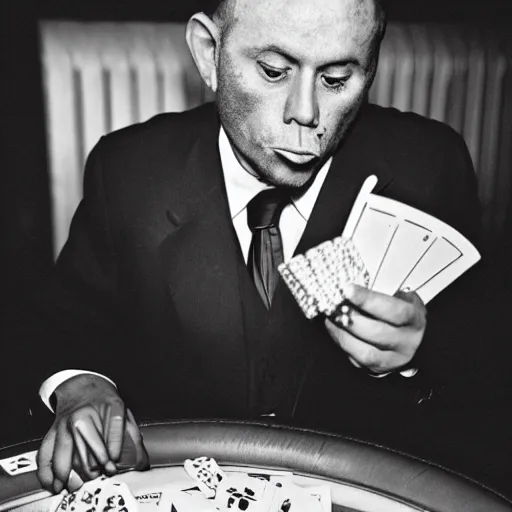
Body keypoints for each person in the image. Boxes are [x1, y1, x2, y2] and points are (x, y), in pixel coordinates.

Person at [5, 0, 483, 495]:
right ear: (209, 53)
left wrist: (426, 348)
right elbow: (55, 324)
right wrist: (79, 384)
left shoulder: (430, 168)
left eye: (337, 79)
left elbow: (488, 359)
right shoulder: (127, 172)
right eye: (274, 71)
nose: (306, 113)